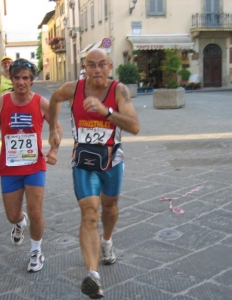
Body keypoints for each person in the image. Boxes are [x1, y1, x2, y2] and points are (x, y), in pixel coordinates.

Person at [48, 49, 140, 299]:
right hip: (83, 161)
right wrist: (53, 129)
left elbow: (135, 126)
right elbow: (54, 99)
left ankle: (107, 241)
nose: (97, 70)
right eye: (91, 65)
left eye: (101, 65)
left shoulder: (118, 91)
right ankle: (92, 275)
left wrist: (105, 112)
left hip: (112, 160)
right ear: (84, 67)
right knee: (89, 214)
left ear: (110, 67)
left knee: (110, 208)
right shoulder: (73, 89)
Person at [0, 58, 62, 272]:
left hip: (35, 166)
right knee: (12, 215)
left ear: (31, 81)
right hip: (10, 168)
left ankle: (36, 251)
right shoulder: (1, 102)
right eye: (17, 78)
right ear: (11, 79)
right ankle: (20, 224)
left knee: (36, 212)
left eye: (25, 78)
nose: (21, 82)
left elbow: (56, 127)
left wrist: (54, 150)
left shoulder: (40, 102)